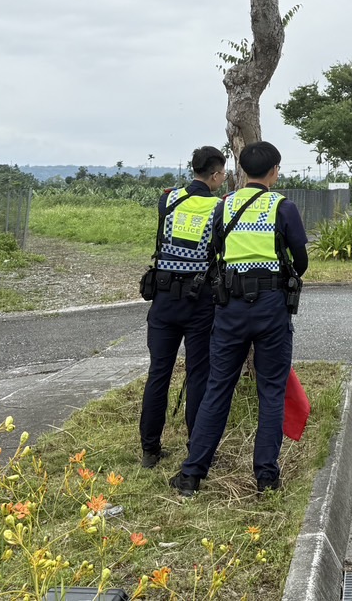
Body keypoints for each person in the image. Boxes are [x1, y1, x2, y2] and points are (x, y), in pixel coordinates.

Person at [171, 140, 308, 496]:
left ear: (242, 170)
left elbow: (216, 248)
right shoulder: (283, 207)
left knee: (218, 387)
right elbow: (301, 260)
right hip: (272, 307)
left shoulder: (224, 205)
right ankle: (266, 477)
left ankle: (191, 475)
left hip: (229, 307)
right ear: (274, 171)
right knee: (271, 390)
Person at [138, 146, 226, 469]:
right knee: (199, 373)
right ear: (215, 175)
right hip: (199, 300)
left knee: (158, 373)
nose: (224, 178)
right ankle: (196, 447)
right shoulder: (218, 207)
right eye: (223, 173)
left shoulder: (168, 200)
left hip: (163, 298)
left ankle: (150, 450)